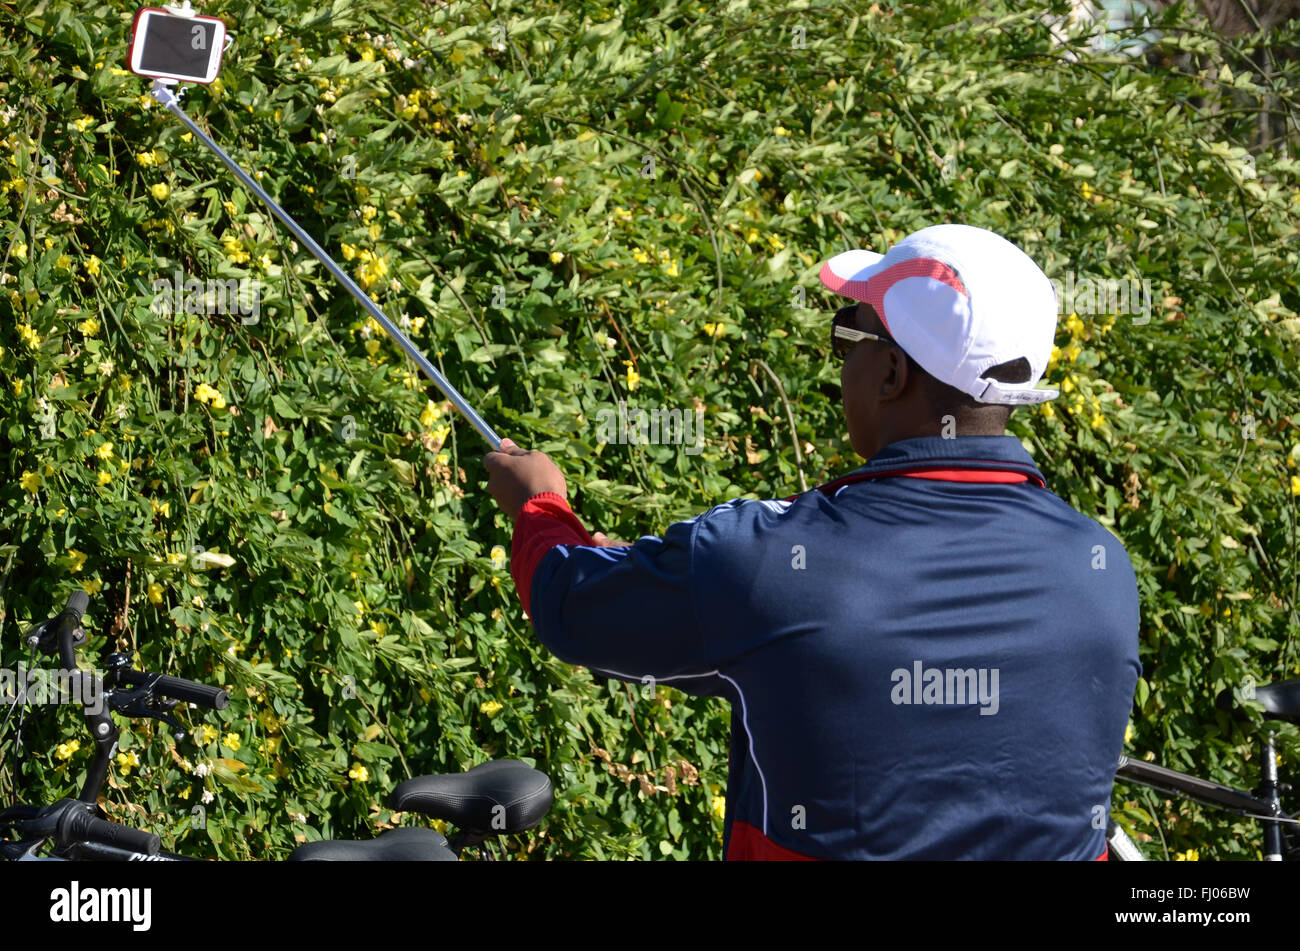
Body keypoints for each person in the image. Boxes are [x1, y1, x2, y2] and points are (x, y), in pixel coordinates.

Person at [483, 223, 1141, 860]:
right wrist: (687, 586)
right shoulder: (1102, 567)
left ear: (890, 373)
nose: (841, 361)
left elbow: (572, 604)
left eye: (847, 334)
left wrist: (539, 505)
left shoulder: (766, 560)